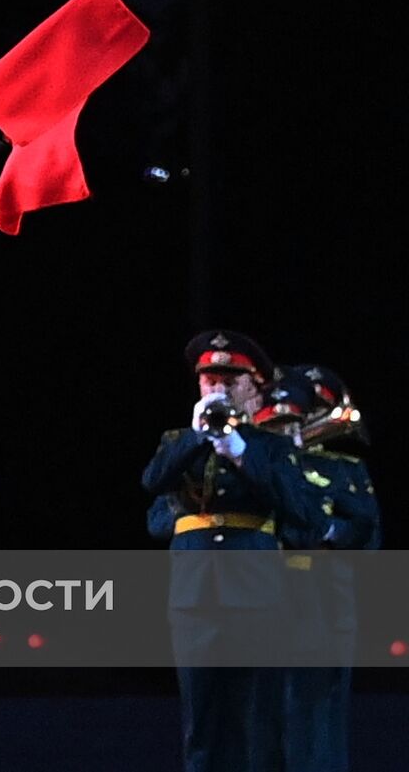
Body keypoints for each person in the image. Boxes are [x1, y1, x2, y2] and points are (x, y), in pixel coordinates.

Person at [141, 330, 321, 772]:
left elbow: (302, 511)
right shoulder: (178, 442)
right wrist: (195, 437)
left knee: (257, 721)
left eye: (230, 380)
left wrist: (243, 455)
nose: (218, 388)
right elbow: (152, 482)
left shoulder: (271, 448)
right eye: (209, 380)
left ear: (254, 387)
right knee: (200, 724)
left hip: (255, 594)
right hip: (196, 595)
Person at [264, 365, 379, 772]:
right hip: (264, 598)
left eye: (314, 408)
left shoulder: (346, 468)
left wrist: (329, 533)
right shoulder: (263, 455)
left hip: (324, 601)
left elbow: (369, 542)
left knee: (321, 722)